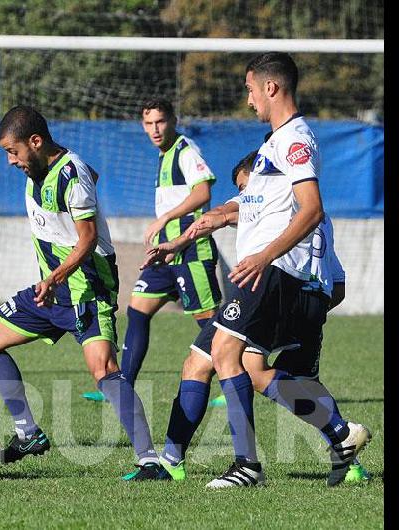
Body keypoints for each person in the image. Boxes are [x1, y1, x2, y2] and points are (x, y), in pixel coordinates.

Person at [143, 51, 370, 488]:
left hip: (272, 272)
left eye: (250, 90)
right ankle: (340, 434)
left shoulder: (295, 140)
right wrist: (191, 232)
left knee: (226, 354)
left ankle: (246, 465)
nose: (248, 100)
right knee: (244, 364)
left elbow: (311, 209)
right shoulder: (272, 143)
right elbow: (252, 204)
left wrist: (264, 257)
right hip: (266, 273)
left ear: (271, 88)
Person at [0, 105, 163, 476]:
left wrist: (54, 277)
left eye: (13, 151)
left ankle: (150, 461)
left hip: (84, 290)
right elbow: (93, 174)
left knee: (104, 371)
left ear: (36, 142)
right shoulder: (44, 167)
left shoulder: (71, 176)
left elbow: (87, 240)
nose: (11, 161)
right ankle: (28, 433)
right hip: (50, 292)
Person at [82, 98, 221, 403]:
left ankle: (234, 382)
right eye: (149, 123)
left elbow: (203, 192)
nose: (155, 129)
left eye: (160, 121)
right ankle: (123, 386)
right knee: (137, 310)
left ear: (173, 119)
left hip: (191, 250)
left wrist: (166, 217)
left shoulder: (185, 151)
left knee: (210, 320)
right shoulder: (164, 155)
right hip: (165, 255)